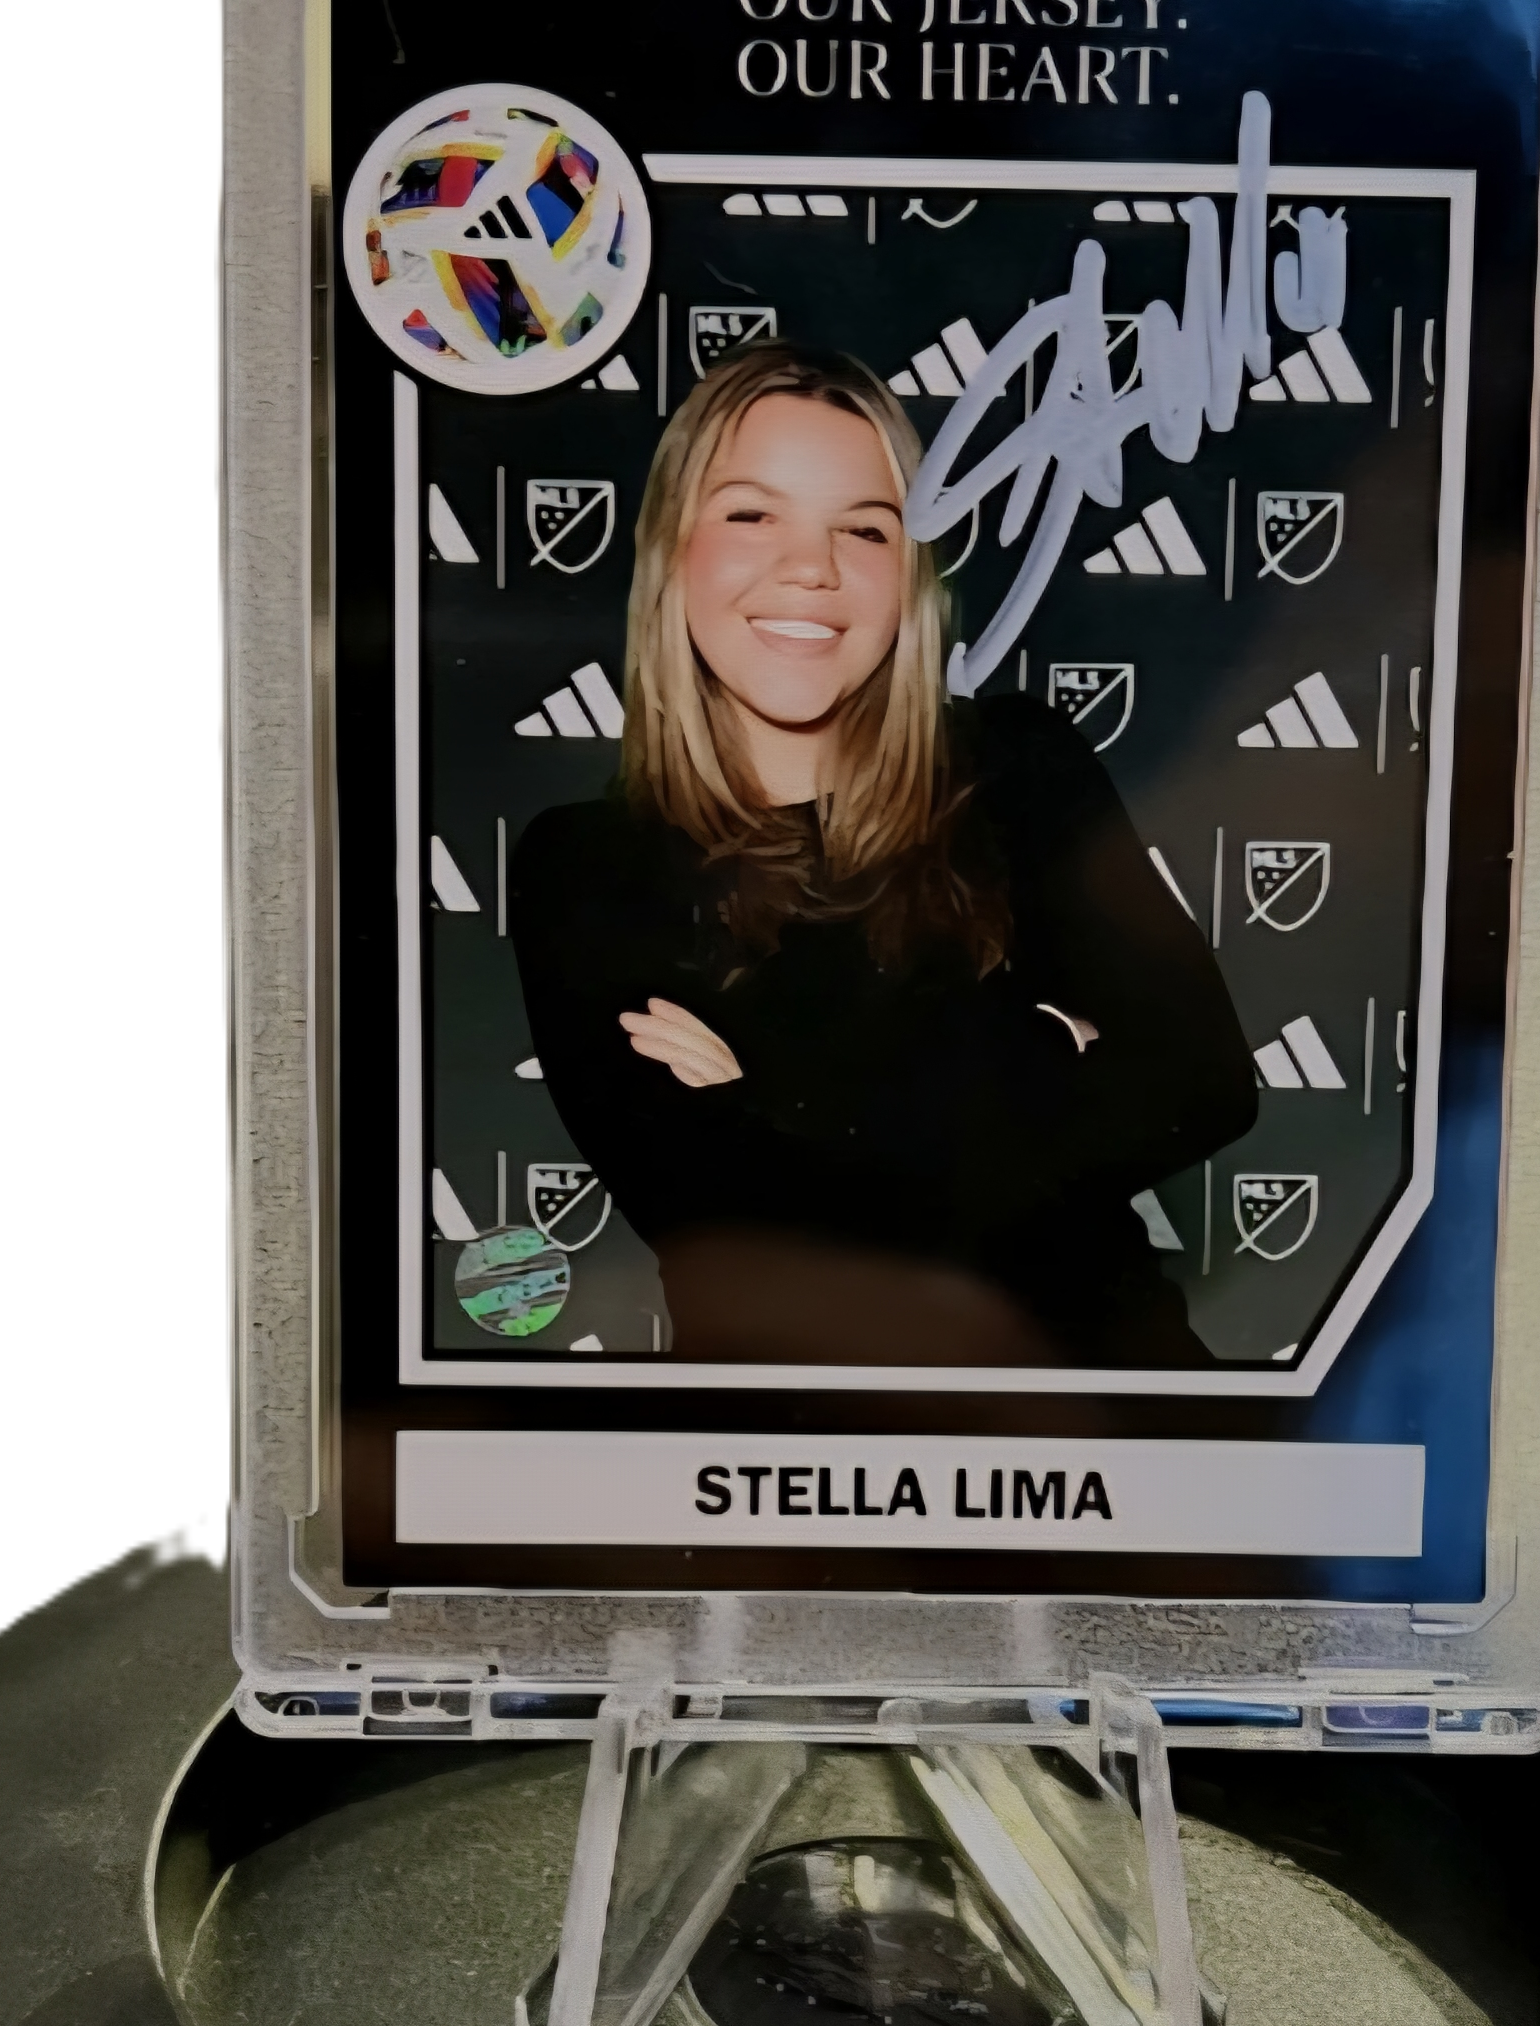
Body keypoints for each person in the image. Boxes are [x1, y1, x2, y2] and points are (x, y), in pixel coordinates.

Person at [510, 341, 1256, 1363]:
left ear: (911, 571)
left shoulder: (1017, 770)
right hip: (788, 1446)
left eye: (864, 527)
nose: (810, 567)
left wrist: (766, 1093)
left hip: (1094, 1426)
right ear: (671, 548)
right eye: (751, 514)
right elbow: (725, 1228)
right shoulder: (587, 867)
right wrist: (1029, 1049)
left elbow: (1202, 1087)